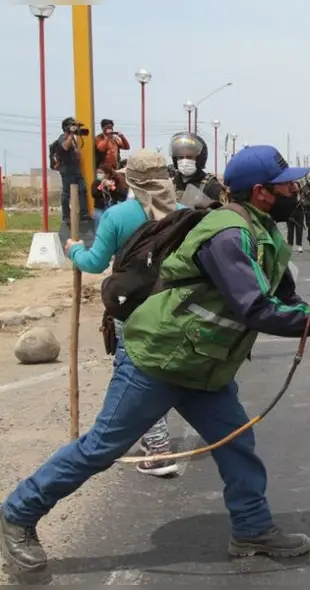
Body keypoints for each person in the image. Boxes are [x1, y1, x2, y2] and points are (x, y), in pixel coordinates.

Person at [0, 145, 310, 575]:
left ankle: (252, 529)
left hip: (203, 364)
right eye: (287, 183)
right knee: (102, 447)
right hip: (157, 358)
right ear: (261, 191)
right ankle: (18, 514)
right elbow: (253, 307)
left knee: (237, 444)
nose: (295, 189)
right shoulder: (228, 235)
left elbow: (283, 296)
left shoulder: (263, 230)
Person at [68, 150, 186, 478]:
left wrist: (74, 249)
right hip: (177, 308)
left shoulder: (119, 216)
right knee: (167, 371)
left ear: (129, 179)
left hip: (131, 307)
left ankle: (157, 448)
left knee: (137, 375)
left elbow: (93, 263)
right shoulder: (184, 213)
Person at [52, 117, 91, 225]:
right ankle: (66, 216)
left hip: (75, 169)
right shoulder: (62, 137)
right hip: (67, 169)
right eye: (71, 125)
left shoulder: (73, 138)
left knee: (82, 190)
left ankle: (84, 214)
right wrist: (71, 134)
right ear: (66, 127)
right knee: (66, 194)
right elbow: (65, 147)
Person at [169, 132, 226, 203]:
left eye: (189, 157)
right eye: (180, 157)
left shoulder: (211, 186)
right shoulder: (170, 184)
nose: (184, 160)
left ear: (199, 158)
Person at [90, 163, 128, 230]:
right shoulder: (96, 182)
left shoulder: (115, 181)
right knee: (99, 226)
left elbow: (123, 195)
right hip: (100, 208)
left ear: (107, 174)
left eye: (101, 173)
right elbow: (94, 194)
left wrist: (113, 188)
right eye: (98, 172)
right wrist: (101, 186)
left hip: (112, 207)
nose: (99, 174)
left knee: (111, 226)